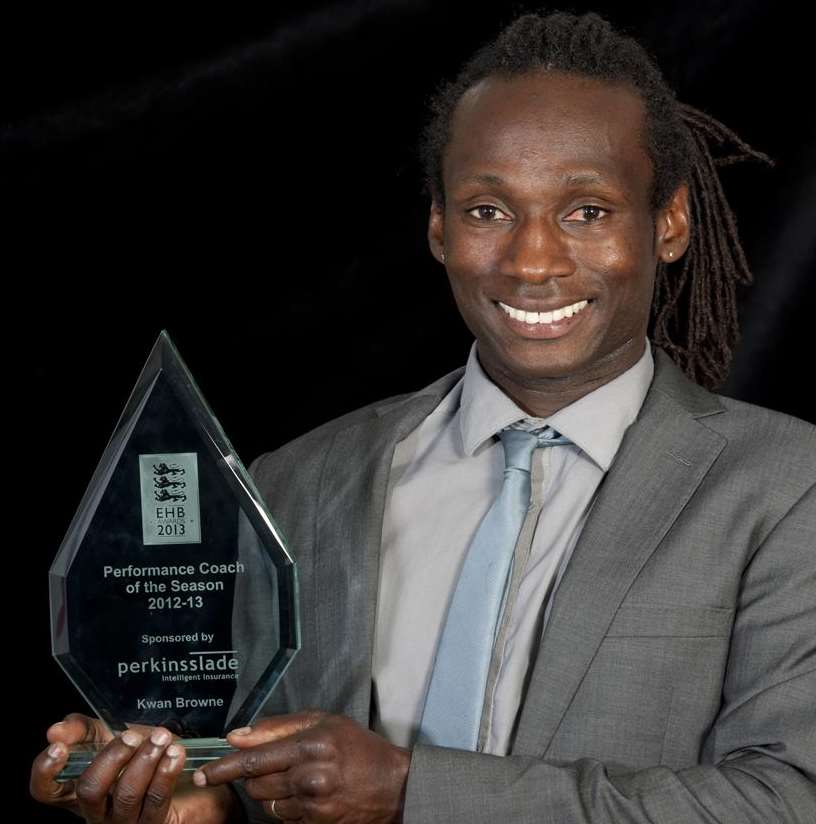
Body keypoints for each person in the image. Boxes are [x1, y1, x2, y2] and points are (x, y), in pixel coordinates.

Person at [31, 10, 815, 823]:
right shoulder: (300, 481)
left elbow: (791, 801)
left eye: (587, 211)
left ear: (670, 223)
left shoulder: (788, 488)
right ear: (439, 227)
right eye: (487, 211)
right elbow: (264, 783)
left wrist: (413, 790)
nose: (532, 260)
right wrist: (186, 799)